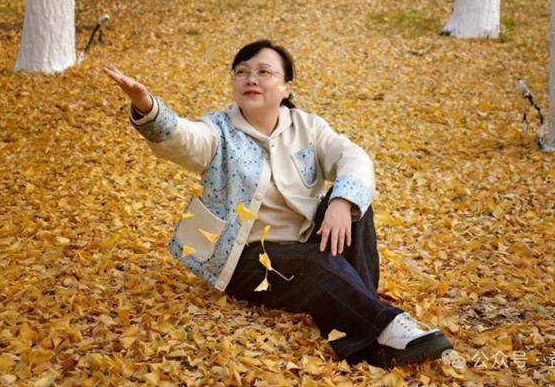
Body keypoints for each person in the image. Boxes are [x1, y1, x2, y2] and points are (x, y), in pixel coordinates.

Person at [103, 39, 453, 368]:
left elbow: (353, 156)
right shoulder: (217, 129)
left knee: (355, 206)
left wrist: (341, 202)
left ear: (286, 88)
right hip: (245, 259)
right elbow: (184, 138)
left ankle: (364, 311)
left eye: (264, 72)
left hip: (303, 243)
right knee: (316, 263)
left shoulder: (308, 127)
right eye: (242, 71)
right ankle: (381, 328)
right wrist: (147, 106)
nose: (251, 79)